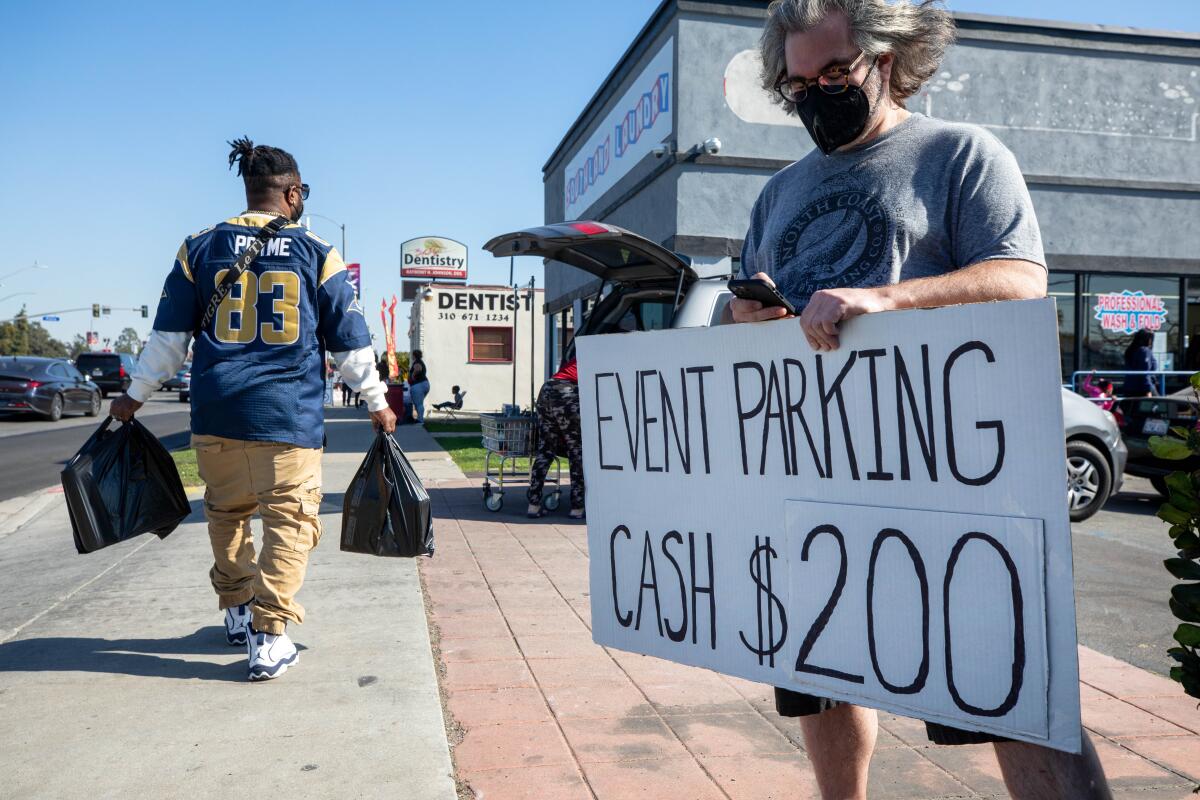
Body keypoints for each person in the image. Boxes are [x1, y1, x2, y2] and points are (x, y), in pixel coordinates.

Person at [731, 2, 1112, 798]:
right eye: (798, 84)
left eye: (835, 74)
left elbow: (1020, 280)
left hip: (957, 490)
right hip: (818, 485)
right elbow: (750, 317)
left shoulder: (960, 155)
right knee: (821, 670)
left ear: (891, 58)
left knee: (1014, 687)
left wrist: (891, 300)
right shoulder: (777, 195)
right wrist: (749, 317)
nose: (816, 95)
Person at [110, 137, 396, 682]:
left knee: (226, 513)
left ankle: (238, 609)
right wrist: (377, 401)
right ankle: (269, 635)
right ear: (290, 192)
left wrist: (134, 397)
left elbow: (168, 340)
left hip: (217, 413)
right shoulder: (316, 251)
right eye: (301, 192)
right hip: (285, 416)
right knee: (290, 522)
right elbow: (349, 343)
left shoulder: (198, 246)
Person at [527, 358, 584, 519]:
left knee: (546, 449)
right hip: (567, 391)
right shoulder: (603, 356)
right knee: (576, 451)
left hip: (547, 389)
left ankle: (533, 504)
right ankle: (577, 507)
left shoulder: (581, 353)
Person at [1122, 329, 1157, 397]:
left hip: (1129, 387)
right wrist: (1148, 390)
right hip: (1142, 388)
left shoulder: (1130, 350)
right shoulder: (1144, 351)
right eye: (1151, 338)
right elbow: (1145, 372)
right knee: (1161, 405)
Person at [408, 349, 430, 423]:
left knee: (419, 404)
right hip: (424, 384)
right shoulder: (420, 361)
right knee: (419, 403)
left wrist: (413, 376)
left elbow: (418, 369)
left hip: (418, 385)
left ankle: (420, 420)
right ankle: (420, 419)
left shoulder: (417, 362)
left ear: (414, 355)